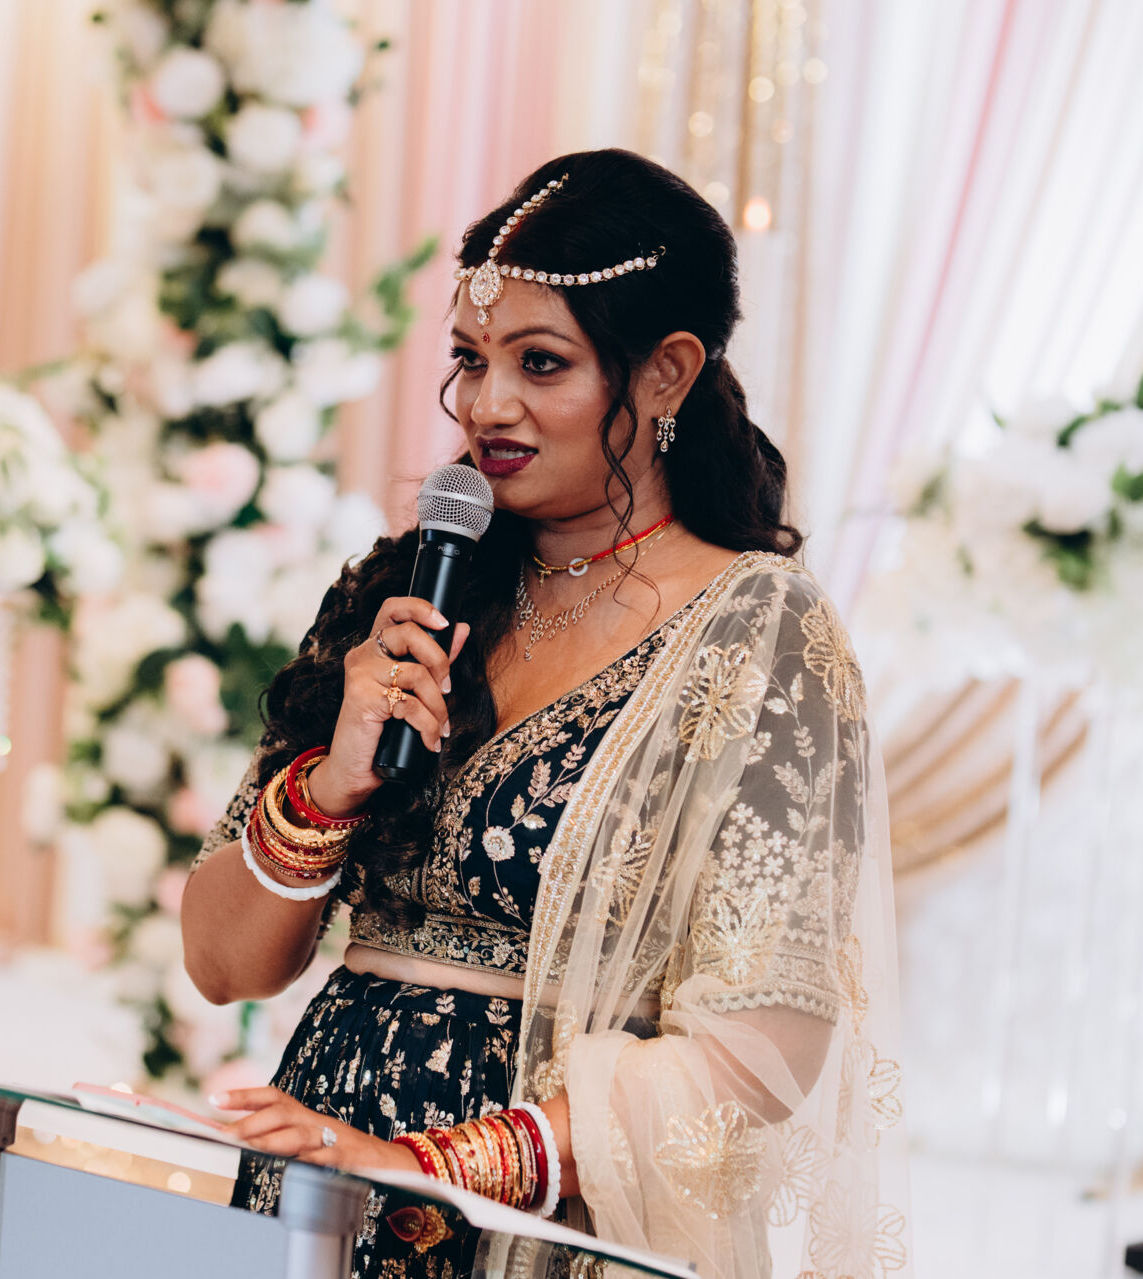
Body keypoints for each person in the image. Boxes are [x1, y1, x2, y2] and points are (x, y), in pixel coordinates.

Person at [181, 148, 909, 1279]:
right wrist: (328, 785)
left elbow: (763, 1044)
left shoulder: (757, 631)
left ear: (665, 372)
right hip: (319, 1187)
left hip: (546, 1225)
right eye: (469, 360)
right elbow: (222, 964)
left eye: (540, 362)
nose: (487, 406)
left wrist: (424, 1165)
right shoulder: (402, 596)